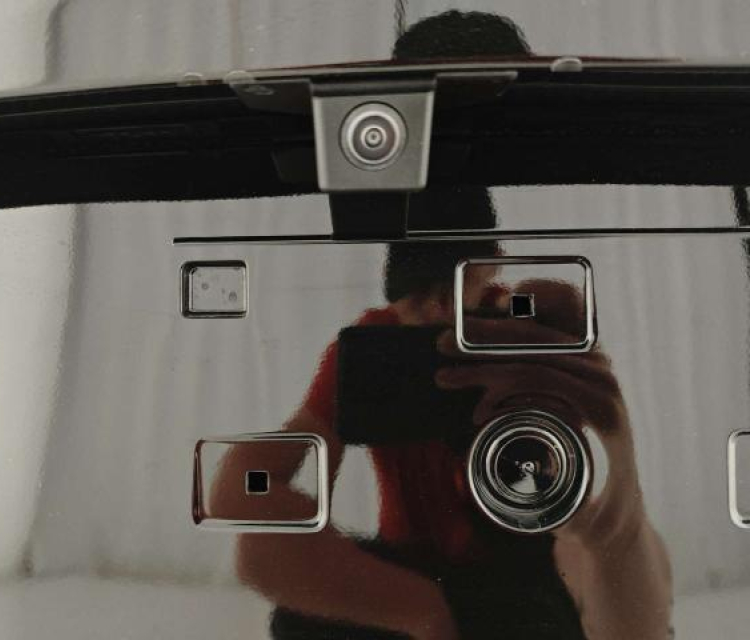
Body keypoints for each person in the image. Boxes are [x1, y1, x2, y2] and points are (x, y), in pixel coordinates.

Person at [210, 11, 672, 640]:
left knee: (586, 558)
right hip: (413, 579)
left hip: (522, 560)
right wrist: (260, 480)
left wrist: (607, 505)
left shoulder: (520, 327)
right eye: (419, 292)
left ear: (491, 267)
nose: (436, 313)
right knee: (270, 554)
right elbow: (262, 487)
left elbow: (587, 540)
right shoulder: (369, 346)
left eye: (453, 286)